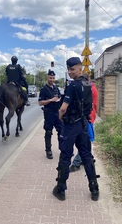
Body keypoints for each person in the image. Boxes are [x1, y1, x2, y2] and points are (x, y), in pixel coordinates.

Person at [53, 57, 99, 201]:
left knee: (65, 156)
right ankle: (94, 189)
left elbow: (63, 108)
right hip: (83, 124)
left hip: (71, 125)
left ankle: (60, 189)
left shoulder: (72, 86)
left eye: (72, 69)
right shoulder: (88, 84)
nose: (70, 72)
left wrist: (60, 117)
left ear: (80, 69)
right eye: (69, 69)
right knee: (86, 156)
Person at [69, 72, 98, 172]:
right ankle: (88, 158)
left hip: (88, 117)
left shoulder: (89, 89)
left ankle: (76, 163)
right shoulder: (91, 88)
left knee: (86, 141)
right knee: (86, 140)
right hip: (89, 117)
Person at [38, 70, 63, 159]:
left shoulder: (56, 88)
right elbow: (40, 102)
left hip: (57, 112)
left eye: (53, 78)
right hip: (48, 113)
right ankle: (48, 150)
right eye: (50, 78)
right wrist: (51, 100)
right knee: (48, 132)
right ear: (47, 78)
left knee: (61, 131)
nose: (52, 79)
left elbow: (59, 97)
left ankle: (62, 149)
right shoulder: (43, 89)